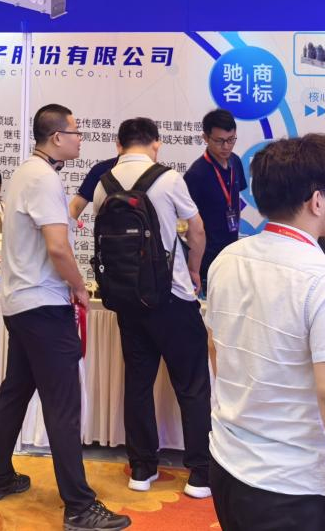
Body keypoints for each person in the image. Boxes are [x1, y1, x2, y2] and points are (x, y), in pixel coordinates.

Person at [206, 133, 325, 531]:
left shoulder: (227, 258)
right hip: (292, 486)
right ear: (316, 200)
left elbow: (217, 350)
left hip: (227, 463)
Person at [0, 104, 131, 531]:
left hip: (22, 303)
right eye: (75, 132)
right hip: (44, 306)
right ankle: (79, 507)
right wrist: (80, 287)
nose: (80, 138)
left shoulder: (27, 172)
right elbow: (58, 247)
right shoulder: (44, 178)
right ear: (56, 137)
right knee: (63, 406)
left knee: (16, 390)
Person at [91, 117, 211, 499]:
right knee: (191, 384)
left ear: (119, 145)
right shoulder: (169, 179)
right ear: (155, 143)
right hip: (172, 298)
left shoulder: (103, 184)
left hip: (127, 300)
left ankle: (142, 468)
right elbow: (197, 230)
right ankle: (200, 473)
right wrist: (194, 270)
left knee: (138, 383)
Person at [183, 110, 246, 291]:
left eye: (231, 140)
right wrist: (193, 267)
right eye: (219, 141)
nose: (226, 147)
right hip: (206, 257)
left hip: (231, 251)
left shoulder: (235, 162)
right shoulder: (196, 174)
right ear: (205, 137)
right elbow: (188, 224)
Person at [69, 150, 120, 227]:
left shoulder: (101, 168)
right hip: (108, 232)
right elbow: (76, 206)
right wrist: (66, 225)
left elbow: (76, 206)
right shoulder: (101, 169)